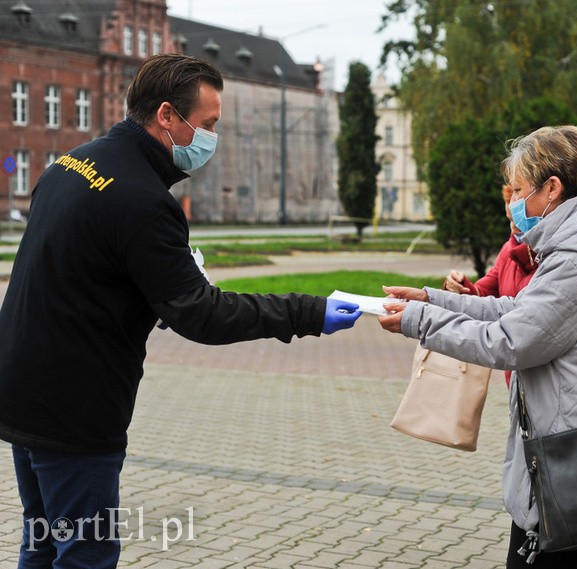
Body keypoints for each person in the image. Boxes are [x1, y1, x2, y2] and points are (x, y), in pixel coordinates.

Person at [0, 54, 361, 569]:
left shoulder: (71, 163)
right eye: (208, 125)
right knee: (85, 554)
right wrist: (308, 312)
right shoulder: (143, 199)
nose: (212, 138)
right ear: (167, 115)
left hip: (20, 387)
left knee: (41, 544)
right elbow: (203, 316)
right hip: (74, 409)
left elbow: (81, 269)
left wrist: (152, 291)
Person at [378, 125, 577, 568]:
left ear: (552, 189)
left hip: (572, 465)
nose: (512, 203)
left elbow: (509, 341)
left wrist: (419, 321)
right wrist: (434, 298)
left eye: (519, 190)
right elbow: (519, 309)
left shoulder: (574, 261)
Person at [443, 185, 537, 387]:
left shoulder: (551, 256)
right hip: (514, 378)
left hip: (538, 374)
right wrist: (460, 285)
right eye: (509, 220)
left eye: (518, 221)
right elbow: (483, 291)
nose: (513, 229)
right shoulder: (508, 249)